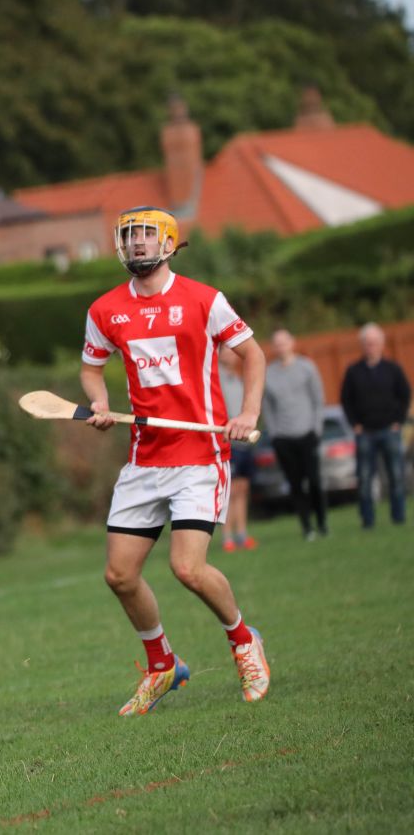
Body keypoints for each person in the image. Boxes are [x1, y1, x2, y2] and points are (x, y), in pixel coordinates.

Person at [80, 206, 270, 715]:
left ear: (168, 242)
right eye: (129, 236)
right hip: (145, 457)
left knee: (188, 567)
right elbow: (92, 369)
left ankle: (244, 641)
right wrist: (98, 403)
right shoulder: (105, 311)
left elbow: (253, 355)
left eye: (145, 235)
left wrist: (247, 411)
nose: (137, 244)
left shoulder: (204, 300)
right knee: (119, 576)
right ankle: (163, 665)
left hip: (200, 454)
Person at [341, 322, 410, 528]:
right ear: (362, 345)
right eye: (367, 343)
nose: (370, 346)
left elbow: (405, 395)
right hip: (365, 432)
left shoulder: (393, 369)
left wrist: (398, 421)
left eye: (374, 343)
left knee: (396, 476)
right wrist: (355, 424)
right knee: (364, 478)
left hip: (390, 429)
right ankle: (367, 520)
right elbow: (346, 400)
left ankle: (398, 517)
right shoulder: (353, 372)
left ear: (381, 344)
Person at [262, 329, 327, 539]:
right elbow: (267, 407)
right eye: (277, 343)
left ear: (292, 343)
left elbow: (318, 400)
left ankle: (322, 523)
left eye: (284, 342)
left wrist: (316, 428)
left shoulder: (306, 367)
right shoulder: (269, 373)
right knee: (295, 483)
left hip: (307, 433)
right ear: (274, 347)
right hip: (283, 437)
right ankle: (306, 527)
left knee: (315, 481)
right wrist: (274, 435)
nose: (281, 347)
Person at [218, 346, 258, 551]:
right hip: (226, 443)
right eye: (225, 351)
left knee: (242, 489)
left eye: (232, 351)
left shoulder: (239, 378)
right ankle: (227, 537)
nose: (229, 355)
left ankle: (242, 534)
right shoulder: (215, 379)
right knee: (230, 491)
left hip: (243, 443)